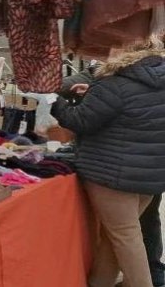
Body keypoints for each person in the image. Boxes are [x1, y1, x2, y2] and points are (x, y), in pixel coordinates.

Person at [53, 36, 165, 287]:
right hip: (151, 175)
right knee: (116, 234)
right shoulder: (155, 79)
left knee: (125, 235)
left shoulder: (114, 83)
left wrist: (53, 102)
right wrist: (94, 95)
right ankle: (98, 283)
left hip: (113, 175)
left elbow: (79, 120)